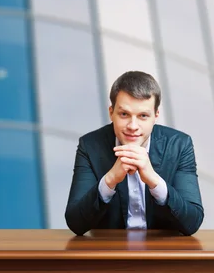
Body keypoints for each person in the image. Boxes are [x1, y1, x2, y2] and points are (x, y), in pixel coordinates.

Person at [64, 71, 204, 236]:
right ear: (111, 112)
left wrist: (154, 181)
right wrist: (110, 180)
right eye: (124, 114)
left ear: (155, 116)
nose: (132, 126)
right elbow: (75, 223)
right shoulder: (90, 145)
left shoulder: (179, 145)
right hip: (108, 254)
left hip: (164, 253)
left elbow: (192, 222)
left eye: (143, 116)